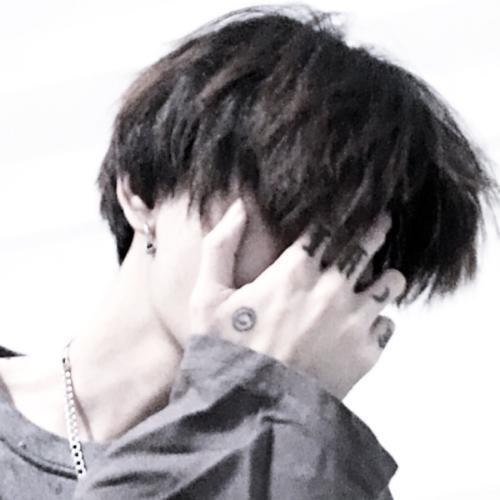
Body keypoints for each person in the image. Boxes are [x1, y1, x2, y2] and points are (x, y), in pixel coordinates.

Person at [0, 5, 497, 499]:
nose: (305, 280)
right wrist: (249, 391)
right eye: (290, 218)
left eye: (353, 260)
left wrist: (266, 407)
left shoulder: (320, 470)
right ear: (144, 191)